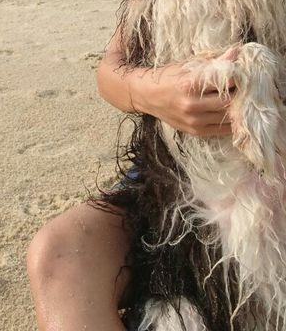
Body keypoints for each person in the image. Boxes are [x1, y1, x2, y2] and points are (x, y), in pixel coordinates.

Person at [26, 32, 232, 331]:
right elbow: (111, 71)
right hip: (168, 174)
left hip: (267, 174)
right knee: (61, 251)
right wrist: (155, 91)